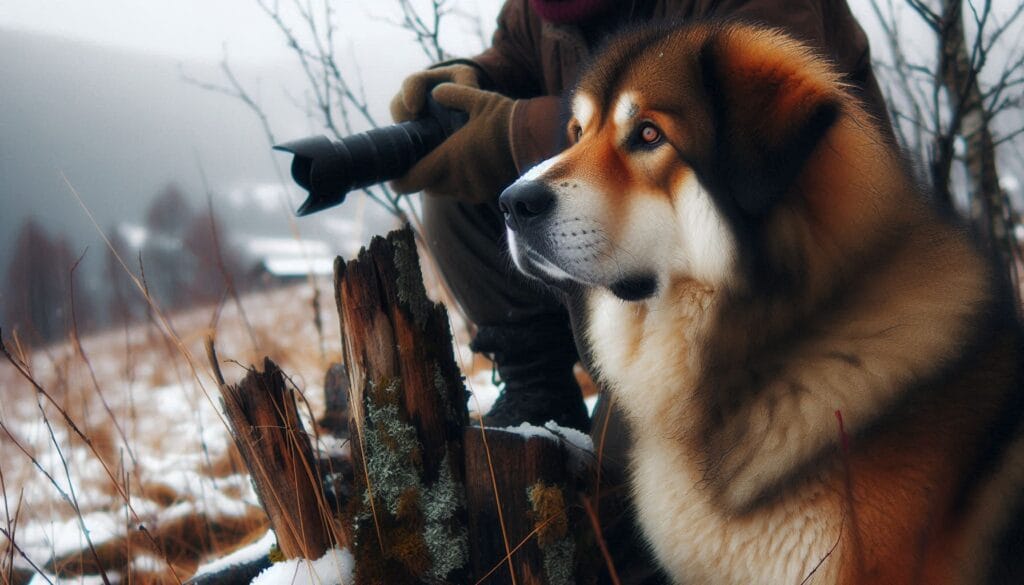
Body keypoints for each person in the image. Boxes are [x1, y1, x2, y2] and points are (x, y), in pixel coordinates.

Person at [389, 0, 893, 433]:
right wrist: (467, 81)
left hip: (792, 316)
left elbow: (752, 104)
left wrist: (512, 132)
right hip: (656, 313)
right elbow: (515, 55)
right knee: (454, 171)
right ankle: (537, 390)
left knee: (625, 506)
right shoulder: (539, 9)